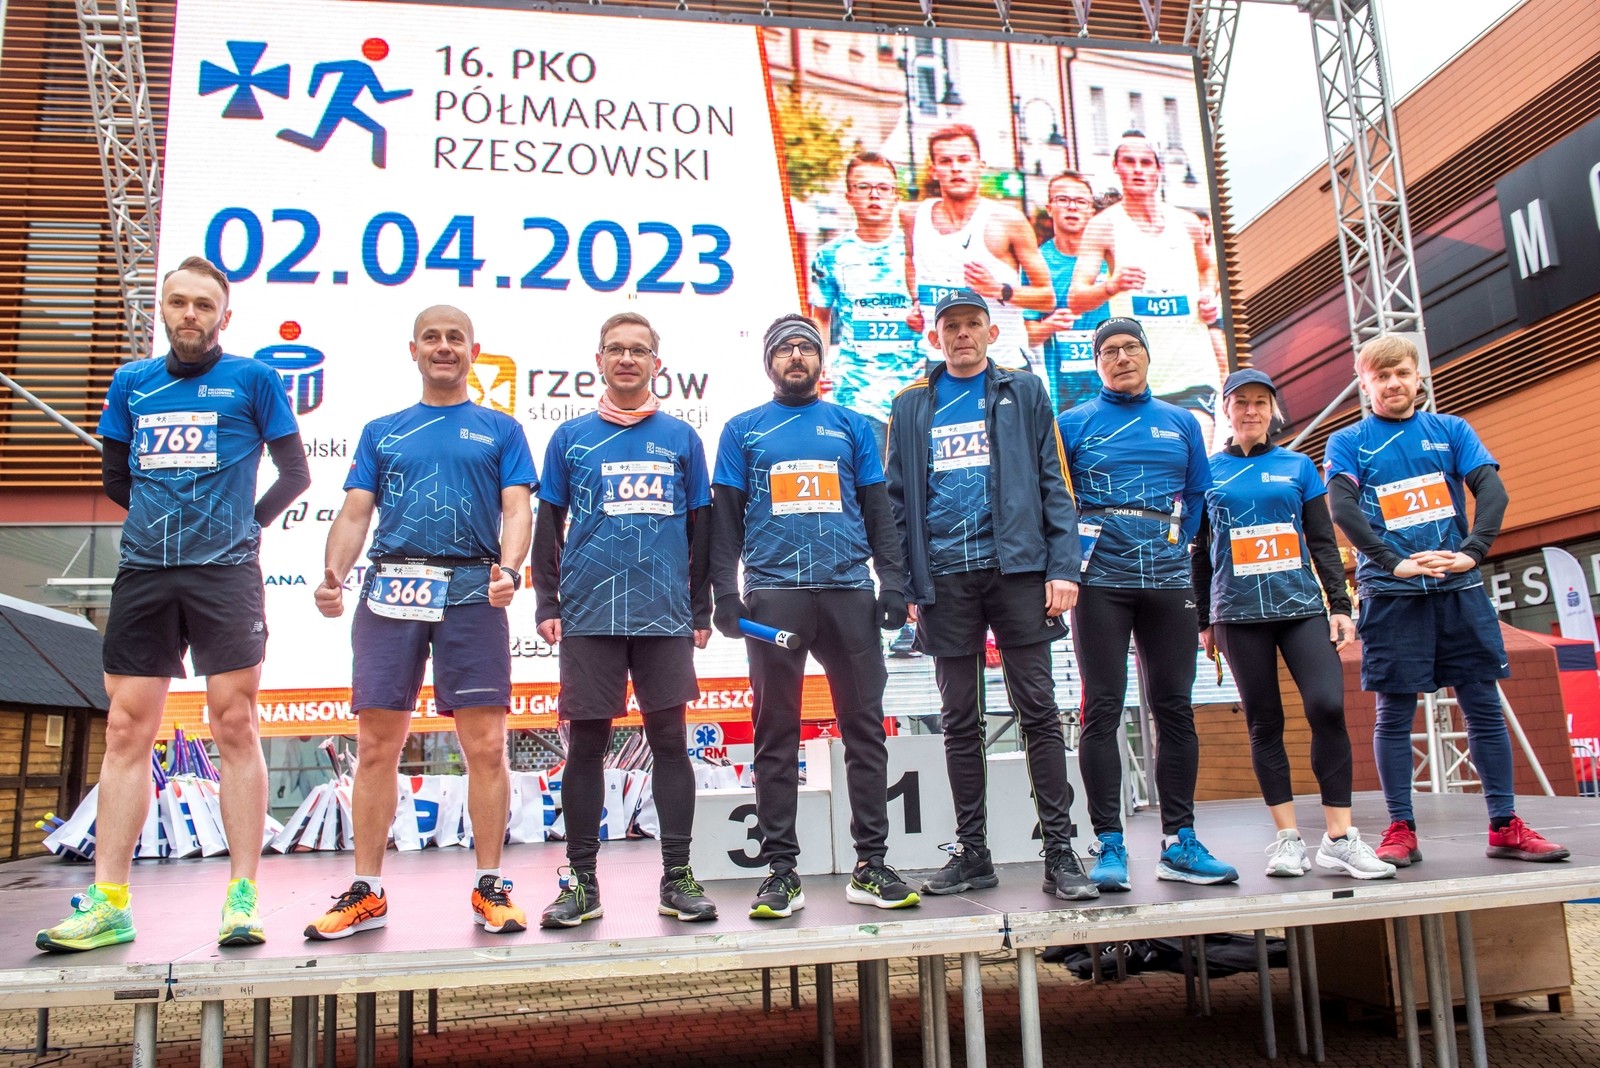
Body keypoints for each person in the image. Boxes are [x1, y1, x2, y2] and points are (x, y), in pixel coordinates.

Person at [37, 256, 310, 953]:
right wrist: (162, 527)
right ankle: (110, 903)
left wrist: (244, 526)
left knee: (234, 722)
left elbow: (295, 473)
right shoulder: (131, 381)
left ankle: (242, 898)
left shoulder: (254, 378)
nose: (190, 314)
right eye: (179, 302)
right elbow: (115, 477)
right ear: (163, 309)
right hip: (145, 572)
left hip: (225, 575)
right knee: (127, 728)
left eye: (203, 304)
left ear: (224, 316)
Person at [305, 305, 538, 940]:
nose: (443, 347)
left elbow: (518, 509)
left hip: (472, 591)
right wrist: (332, 574)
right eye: (431, 338)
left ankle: (491, 885)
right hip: (392, 589)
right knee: (377, 745)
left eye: (455, 338)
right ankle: (367, 891)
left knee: (485, 746)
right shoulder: (382, 431)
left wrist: (509, 569)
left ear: (473, 351)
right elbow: (355, 514)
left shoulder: (501, 429)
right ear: (413, 350)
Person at [1325, 334, 1568, 867]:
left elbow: (1493, 491)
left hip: (1459, 590)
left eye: (1401, 373)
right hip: (1391, 594)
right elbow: (1342, 508)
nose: (1393, 384)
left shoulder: (1453, 430)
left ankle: (1504, 825)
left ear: (1419, 378)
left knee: (1483, 708)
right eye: (1381, 376)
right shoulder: (1348, 442)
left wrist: (1471, 553)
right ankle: (1400, 829)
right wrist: (1393, 562)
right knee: (1394, 714)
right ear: (1365, 385)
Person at [885, 289, 1096, 901]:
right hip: (943, 580)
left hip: (1019, 573)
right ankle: (973, 854)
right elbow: (897, 501)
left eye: (972, 324)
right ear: (935, 337)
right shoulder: (910, 404)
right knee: (958, 721)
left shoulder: (1025, 391)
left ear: (991, 332)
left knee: (1039, 712)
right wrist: (905, 582)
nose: (962, 335)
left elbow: (1055, 481)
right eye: (951, 326)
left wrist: (1064, 567)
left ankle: (1060, 853)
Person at [710, 314, 918, 918]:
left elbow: (879, 512)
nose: (796, 356)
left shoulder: (852, 425)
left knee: (865, 729)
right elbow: (724, 523)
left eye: (806, 347)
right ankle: (781, 872)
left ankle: (871, 865)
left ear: (821, 361)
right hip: (774, 597)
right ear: (769, 363)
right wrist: (724, 595)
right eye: (785, 350)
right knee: (775, 733)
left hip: (849, 593)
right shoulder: (743, 430)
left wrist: (893, 583)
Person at [532, 312, 718, 927]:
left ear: (656, 364)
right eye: (616, 349)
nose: (627, 359)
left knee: (669, 742)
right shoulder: (570, 438)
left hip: (664, 614)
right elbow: (547, 524)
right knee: (586, 746)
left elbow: (701, 529)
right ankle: (581, 883)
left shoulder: (682, 438)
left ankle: (677, 876)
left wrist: (700, 608)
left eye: (639, 350)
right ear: (600, 361)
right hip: (589, 613)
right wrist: (548, 602)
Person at [1058, 316, 1238, 890]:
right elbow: (1053, 499)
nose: (1121, 358)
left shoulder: (1182, 421)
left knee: (1175, 708)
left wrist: (1180, 547)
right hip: (1099, 580)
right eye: (1108, 351)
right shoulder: (1072, 423)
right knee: (1101, 708)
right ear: (1097, 363)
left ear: (1146, 355)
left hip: (1167, 579)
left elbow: (1199, 495)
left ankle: (1179, 842)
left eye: (1130, 347)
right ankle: (1109, 844)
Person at [1194, 369, 1394, 879]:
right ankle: (1287, 841)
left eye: (1261, 402)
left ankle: (1340, 838)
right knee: (1264, 722)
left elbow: (1323, 541)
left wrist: (1340, 605)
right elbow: (1199, 554)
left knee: (1327, 706)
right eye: (1241, 402)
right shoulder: (1206, 473)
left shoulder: (1299, 466)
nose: (1251, 410)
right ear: (1226, 410)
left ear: (1273, 411)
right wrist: (1203, 621)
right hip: (1237, 614)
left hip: (1301, 608)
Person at [1068, 132, 1225, 439]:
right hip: (1135, 375)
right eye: (1129, 162)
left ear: (1158, 168)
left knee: (1191, 451)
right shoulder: (1103, 226)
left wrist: (1207, 294)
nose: (1138, 169)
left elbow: (1208, 268)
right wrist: (1112, 286)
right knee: (1154, 463)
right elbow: (1076, 298)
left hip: (1193, 370)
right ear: (1116, 167)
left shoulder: (1188, 223)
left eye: (1145, 162)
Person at [901, 125, 1056, 373]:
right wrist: (917, 301)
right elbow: (910, 259)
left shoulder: (1007, 220)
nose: (956, 168)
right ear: (933, 170)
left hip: (1001, 364)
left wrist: (998, 290)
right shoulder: (914, 217)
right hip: (941, 363)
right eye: (946, 161)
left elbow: (1047, 297)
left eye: (964, 160)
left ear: (980, 166)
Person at [809, 152, 919, 454]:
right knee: (867, 480)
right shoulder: (829, 255)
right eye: (864, 187)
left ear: (896, 196)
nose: (874, 195)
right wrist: (819, 366)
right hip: (856, 394)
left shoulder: (918, 250)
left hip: (917, 390)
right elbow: (820, 317)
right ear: (849, 196)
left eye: (883, 188)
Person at [1025, 171, 1111, 411]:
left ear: (1091, 210)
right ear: (1049, 208)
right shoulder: (1037, 262)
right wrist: (1050, 325)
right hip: (1067, 399)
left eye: (1081, 201)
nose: (1072, 207)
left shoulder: (1112, 258)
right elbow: (1026, 336)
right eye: (1063, 199)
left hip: (1117, 386)